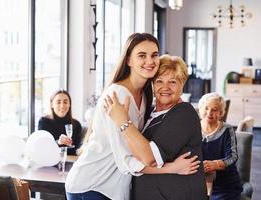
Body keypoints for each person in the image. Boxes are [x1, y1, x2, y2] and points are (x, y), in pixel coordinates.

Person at [65, 33, 200, 200]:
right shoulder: (117, 96)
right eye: (142, 55)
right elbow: (126, 159)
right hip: (92, 185)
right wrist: (170, 168)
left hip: (113, 189)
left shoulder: (144, 98)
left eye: (154, 55)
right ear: (129, 60)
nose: (150, 61)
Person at [104, 54, 207, 199]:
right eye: (159, 81)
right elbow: (134, 154)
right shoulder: (149, 112)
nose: (165, 87)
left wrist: (123, 122)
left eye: (172, 82)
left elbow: (150, 158)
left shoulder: (184, 113)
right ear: (152, 84)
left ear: (182, 84)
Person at [198, 92, 242, 200]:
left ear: (221, 112)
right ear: (200, 109)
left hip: (225, 185)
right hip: (198, 182)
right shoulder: (193, 128)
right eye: (206, 108)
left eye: (214, 109)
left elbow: (233, 157)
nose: (209, 113)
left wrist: (215, 164)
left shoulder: (227, 130)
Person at [38, 89, 82, 155]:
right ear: (52, 105)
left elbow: (76, 149)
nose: (62, 106)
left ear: (69, 104)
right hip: (50, 161)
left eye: (65, 102)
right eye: (58, 102)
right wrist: (58, 142)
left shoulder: (76, 124)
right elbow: (42, 147)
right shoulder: (44, 122)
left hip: (71, 161)